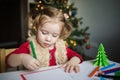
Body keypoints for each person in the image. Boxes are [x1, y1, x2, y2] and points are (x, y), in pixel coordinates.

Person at [6, 6, 83, 73]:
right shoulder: (30, 45)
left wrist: (74, 61)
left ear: (60, 34)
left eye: (55, 35)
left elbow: (77, 56)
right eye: (44, 32)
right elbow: (8, 61)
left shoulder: (61, 47)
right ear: (36, 28)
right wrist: (22, 58)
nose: (48, 39)